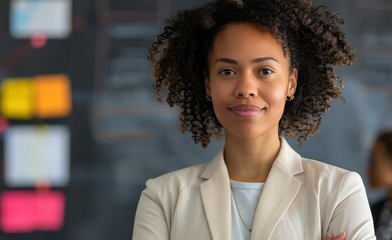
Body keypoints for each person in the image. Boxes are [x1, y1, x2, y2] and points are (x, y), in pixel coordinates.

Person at [132, 0, 376, 239]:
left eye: (265, 71)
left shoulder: (339, 192)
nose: (246, 88)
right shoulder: (162, 199)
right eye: (227, 72)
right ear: (208, 84)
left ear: (291, 83)